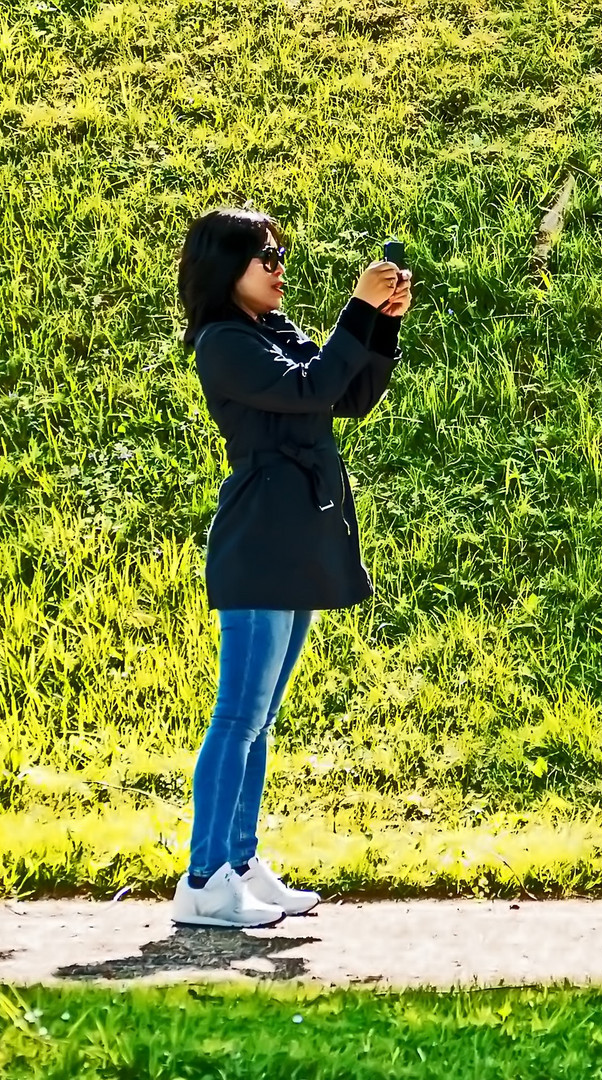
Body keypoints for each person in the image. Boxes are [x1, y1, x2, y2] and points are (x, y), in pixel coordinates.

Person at [170, 208, 413, 928]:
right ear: (227, 270)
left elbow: (350, 395)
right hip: (258, 540)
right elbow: (309, 390)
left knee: (261, 717)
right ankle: (204, 878)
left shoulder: (271, 331)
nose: (279, 268)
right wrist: (356, 307)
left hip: (297, 533)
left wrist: (381, 324)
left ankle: (239, 864)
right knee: (236, 716)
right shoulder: (222, 343)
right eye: (265, 259)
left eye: (279, 256)